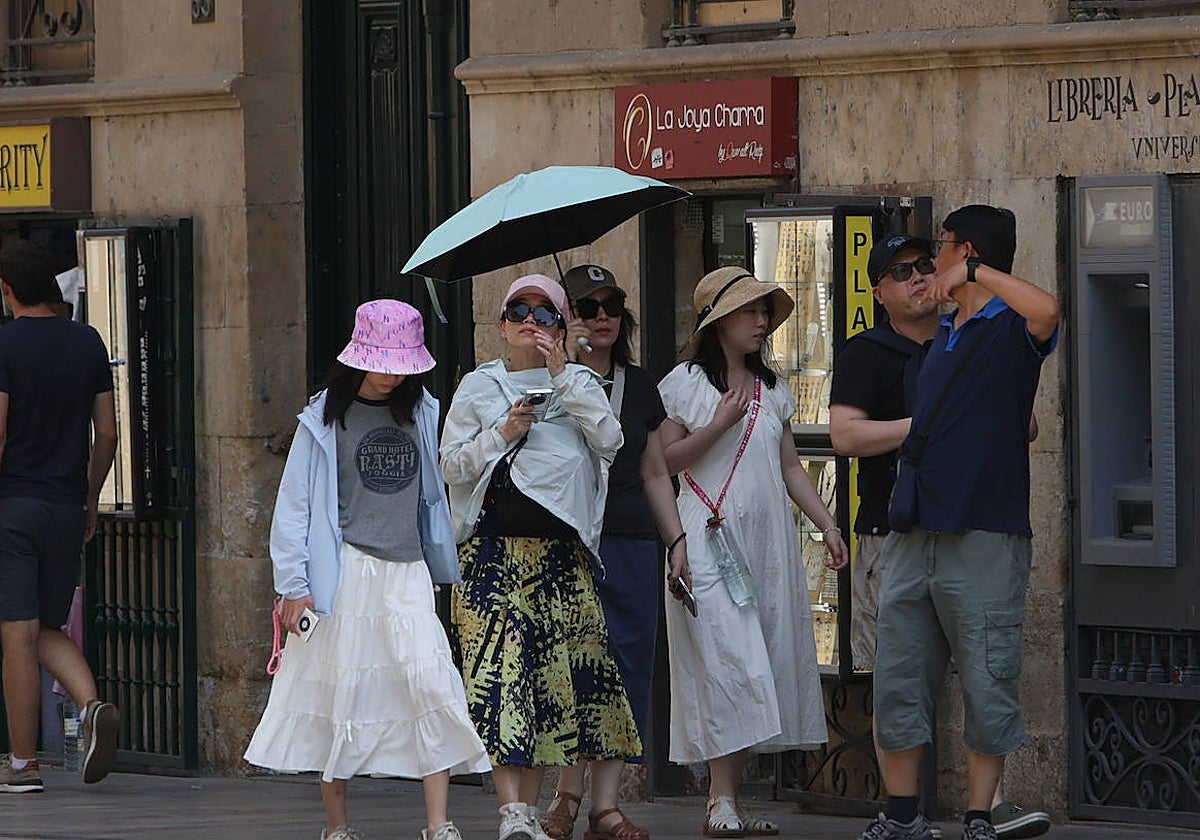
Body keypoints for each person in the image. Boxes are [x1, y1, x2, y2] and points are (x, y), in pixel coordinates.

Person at [244, 300, 489, 840]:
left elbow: (442, 479)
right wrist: (293, 587)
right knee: (341, 690)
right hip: (347, 571)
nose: (391, 373)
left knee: (430, 684)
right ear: (357, 357)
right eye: (382, 360)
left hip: (409, 570)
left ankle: (438, 823)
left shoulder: (423, 409)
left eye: (401, 362)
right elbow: (294, 508)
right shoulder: (323, 418)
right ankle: (337, 826)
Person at [833, 236, 1050, 840]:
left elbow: (1022, 420)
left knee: (987, 672)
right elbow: (845, 437)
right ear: (878, 291)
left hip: (977, 524)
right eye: (901, 273)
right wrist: (930, 423)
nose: (920, 278)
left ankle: (986, 811)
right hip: (897, 526)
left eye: (927, 265)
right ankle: (902, 814)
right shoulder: (869, 353)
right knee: (900, 680)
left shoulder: (976, 336)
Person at [440, 275, 640, 840]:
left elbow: (611, 440)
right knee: (502, 681)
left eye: (544, 313)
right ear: (502, 324)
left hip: (562, 561)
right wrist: (502, 432)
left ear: (560, 325)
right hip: (490, 558)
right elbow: (450, 465)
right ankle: (514, 814)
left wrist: (562, 376)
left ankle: (543, 809)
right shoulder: (480, 387)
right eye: (518, 311)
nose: (531, 320)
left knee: (561, 686)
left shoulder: (579, 381)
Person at [657, 266, 849, 837]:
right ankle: (720, 799)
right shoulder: (684, 383)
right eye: (750, 311)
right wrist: (718, 422)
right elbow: (666, 462)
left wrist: (828, 525)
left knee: (756, 658)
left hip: (766, 545)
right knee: (726, 660)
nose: (762, 321)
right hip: (706, 536)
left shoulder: (773, 387)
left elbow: (791, 466)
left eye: (765, 310)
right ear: (718, 322)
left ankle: (729, 798)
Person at [538, 265, 691, 840]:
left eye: (611, 307)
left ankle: (605, 803)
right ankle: (565, 795)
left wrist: (675, 540)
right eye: (586, 306)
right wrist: (562, 367)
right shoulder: (547, 380)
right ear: (565, 314)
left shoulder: (642, 383)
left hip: (629, 537)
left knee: (625, 668)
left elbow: (655, 471)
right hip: (568, 540)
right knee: (568, 666)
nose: (600, 317)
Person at [0, 239, 120, 793]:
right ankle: (92, 706)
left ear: (7, 291)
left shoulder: (4, 345)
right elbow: (110, 431)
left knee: (16, 635)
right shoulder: (88, 342)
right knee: (47, 625)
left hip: (13, 506)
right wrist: (90, 496)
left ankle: (22, 765)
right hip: (66, 505)